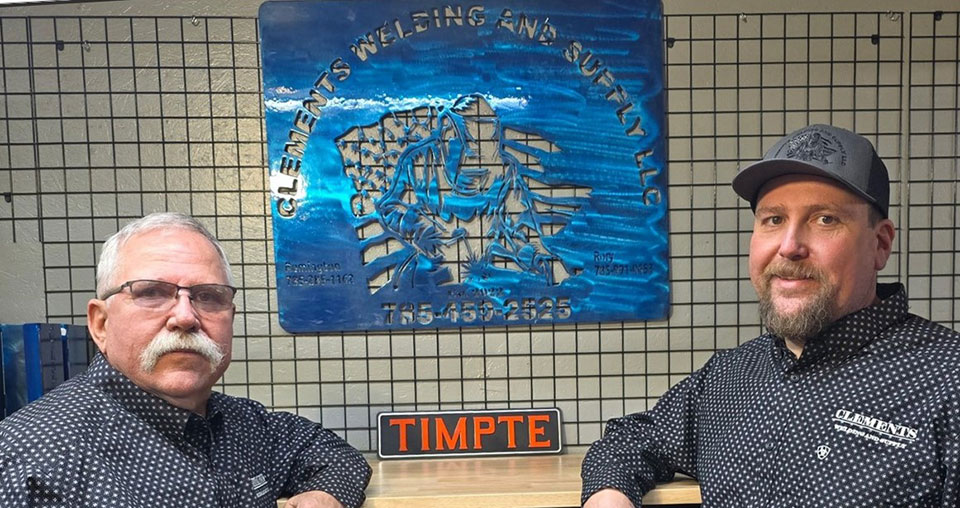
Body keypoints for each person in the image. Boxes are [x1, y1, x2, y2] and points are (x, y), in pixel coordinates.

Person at [580, 124, 960, 507]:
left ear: (879, 244)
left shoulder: (947, 381)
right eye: (773, 220)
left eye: (825, 219)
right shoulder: (728, 378)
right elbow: (629, 441)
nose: (790, 246)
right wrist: (608, 496)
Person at [0, 213, 372, 507]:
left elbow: (336, 455)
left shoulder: (247, 429)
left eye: (208, 296)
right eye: (151, 292)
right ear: (101, 323)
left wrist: (323, 496)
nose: (185, 316)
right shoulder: (26, 459)